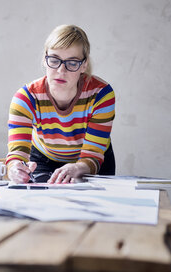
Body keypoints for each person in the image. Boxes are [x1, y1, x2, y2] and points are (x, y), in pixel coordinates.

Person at [6, 24, 115, 184]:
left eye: (72, 63)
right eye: (54, 59)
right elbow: (17, 153)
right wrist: (15, 168)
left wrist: (78, 168)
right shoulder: (26, 98)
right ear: (45, 59)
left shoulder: (101, 95)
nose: (61, 70)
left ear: (84, 65)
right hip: (44, 159)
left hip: (93, 161)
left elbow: (92, 154)